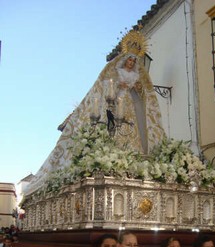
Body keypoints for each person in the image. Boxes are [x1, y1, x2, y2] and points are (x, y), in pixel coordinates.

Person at [24, 29, 165, 196]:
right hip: (117, 104)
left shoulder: (137, 75)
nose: (131, 63)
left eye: (134, 61)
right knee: (115, 129)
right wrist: (119, 86)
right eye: (129, 60)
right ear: (124, 60)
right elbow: (106, 87)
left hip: (130, 108)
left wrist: (137, 87)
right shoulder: (114, 72)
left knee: (131, 130)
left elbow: (143, 94)